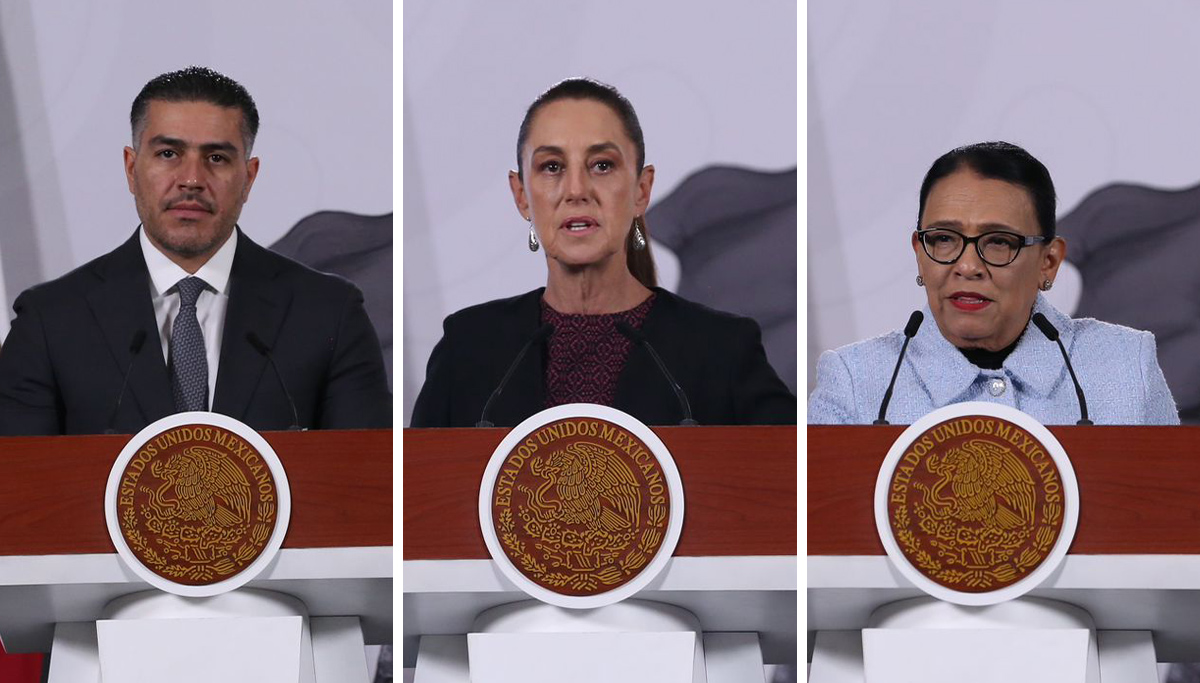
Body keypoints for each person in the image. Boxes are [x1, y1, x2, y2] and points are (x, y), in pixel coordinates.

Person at [0, 67, 390, 435]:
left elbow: (367, 473)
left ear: (249, 177)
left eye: (216, 158)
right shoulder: (51, 320)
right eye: (168, 154)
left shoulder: (329, 313)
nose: (191, 180)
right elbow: (20, 476)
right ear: (131, 168)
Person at [410, 78, 795, 428]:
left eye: (602, 165)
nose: (577, 190)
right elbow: (415, 479)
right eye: (552, 166)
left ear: (641, 190)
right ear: (521, 195)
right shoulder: (468, 347)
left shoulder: (722, 350)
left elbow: (797, 472)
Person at [808, 141, 1179, 425]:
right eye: (944, 239)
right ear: (920, 252)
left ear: (1048, 262)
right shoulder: (856, 380)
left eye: (999, 242)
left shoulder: (1125, 365)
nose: (968, 266)